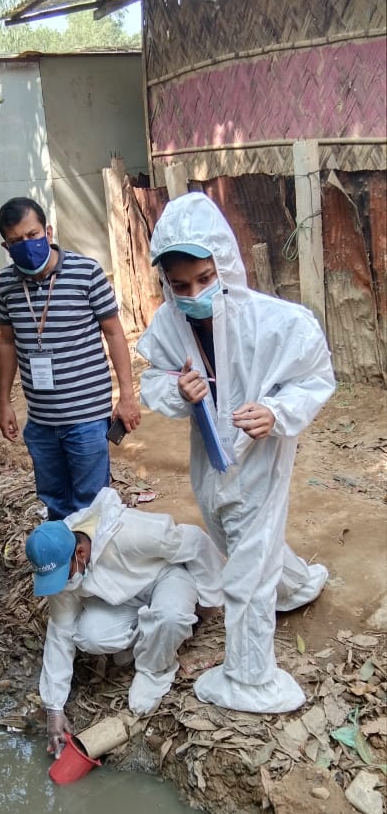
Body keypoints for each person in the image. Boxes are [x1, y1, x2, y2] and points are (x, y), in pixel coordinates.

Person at [137, 192, 336, 715]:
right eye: (180, 286)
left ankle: (251, 678)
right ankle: (298, 585)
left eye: (204, 279)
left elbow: (313, 379)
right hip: (210, 456)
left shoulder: (276, 322)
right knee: (235, 533)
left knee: (246, 565)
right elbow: (151, 380)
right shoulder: (168, 322)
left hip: (261, 452)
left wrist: (276, 411)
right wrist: (178, 392)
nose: (195, 293)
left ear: (222, 264)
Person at [25, 486, 224, 757]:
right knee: (89, 636)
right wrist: (54, 708)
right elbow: (60, 632)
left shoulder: (129, 533)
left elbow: (195, 541)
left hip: (165, 578)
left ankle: (154, 670)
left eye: (64, 574)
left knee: (170, 617)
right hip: (125, 601)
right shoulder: (63, 568)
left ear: (80, 553)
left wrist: (210, 598)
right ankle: (150, 636)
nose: (61, 584)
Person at [0, 196, 140, 520]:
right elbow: (7, 341)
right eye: (17, 240)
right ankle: (69, 565)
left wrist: (127, 396)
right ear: (7, 246)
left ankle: (94, 567)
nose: (27, 244)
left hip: (87, 418)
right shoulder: (6, 283)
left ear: (48, 232)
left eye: (32, 235)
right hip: (42, 422)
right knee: (55, 502)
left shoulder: (86, 273)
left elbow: (115, 333)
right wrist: (4, 400)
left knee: (91, 504)